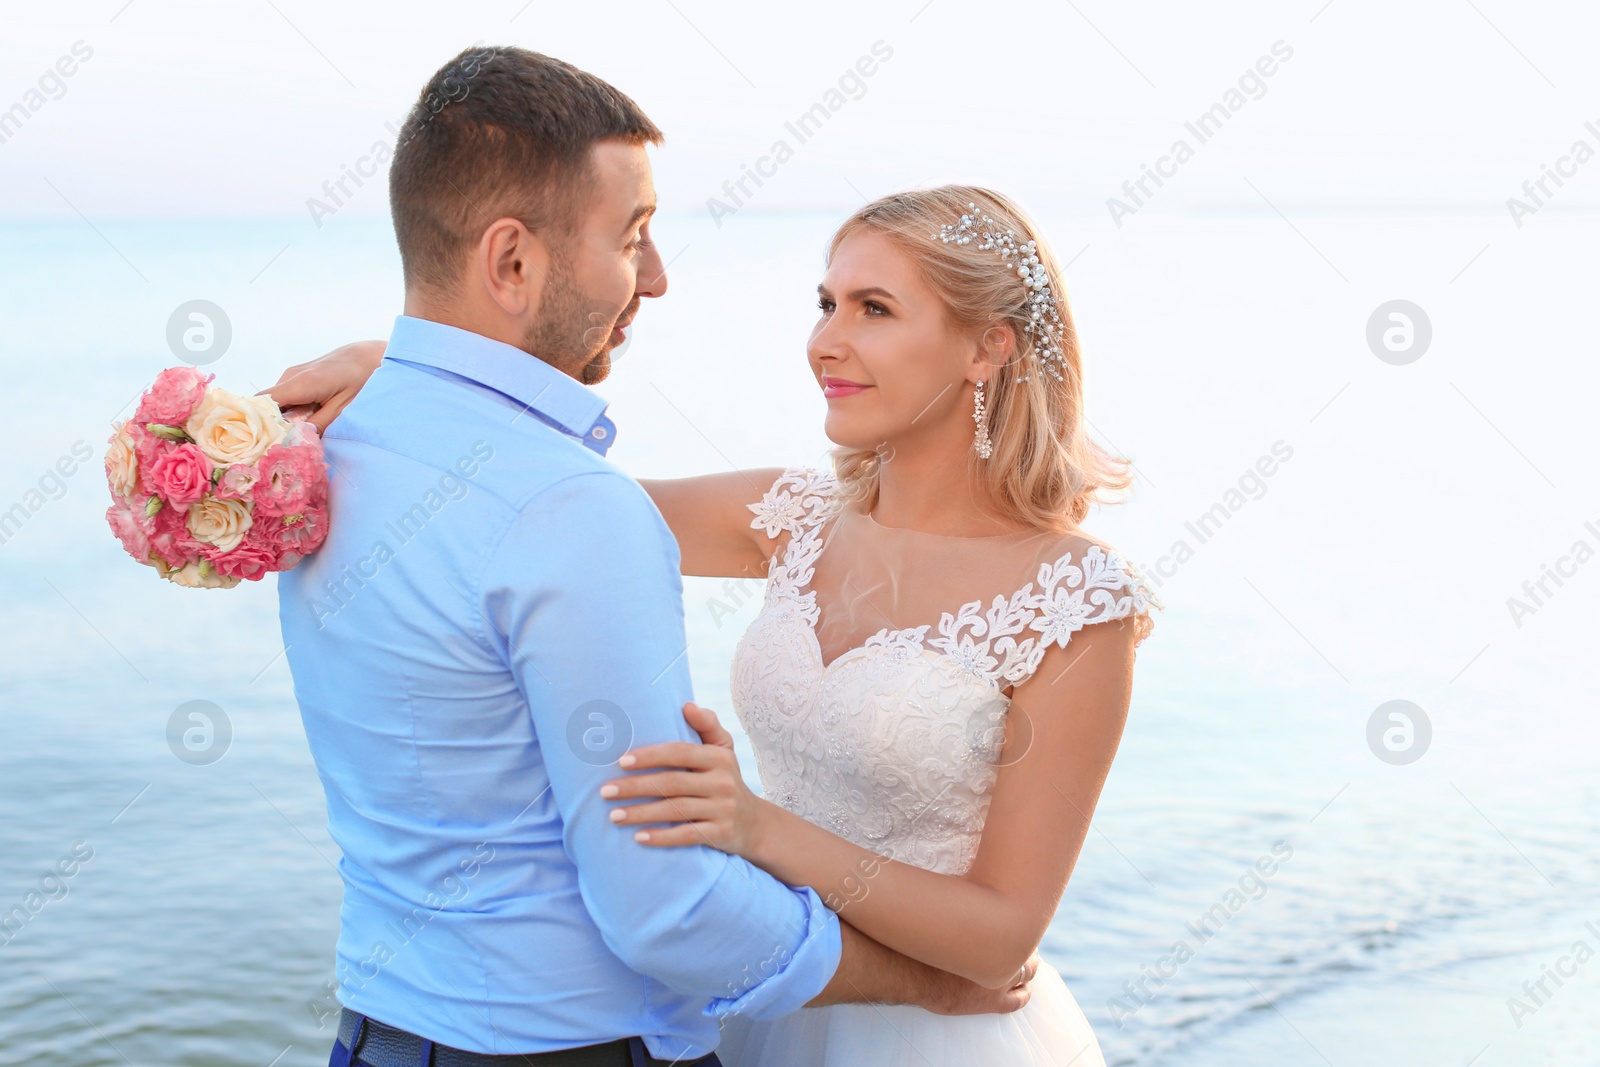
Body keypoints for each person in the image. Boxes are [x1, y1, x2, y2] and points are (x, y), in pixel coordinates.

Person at [272, 47, 1035, 1067]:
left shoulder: (337, 450)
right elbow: (664, 909)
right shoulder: (570, 507)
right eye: (633, 236)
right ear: (512, 263)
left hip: (379, 1032)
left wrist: (400, 364)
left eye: (874, 307)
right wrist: (918, 982)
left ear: (988, 346)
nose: (660, 278)